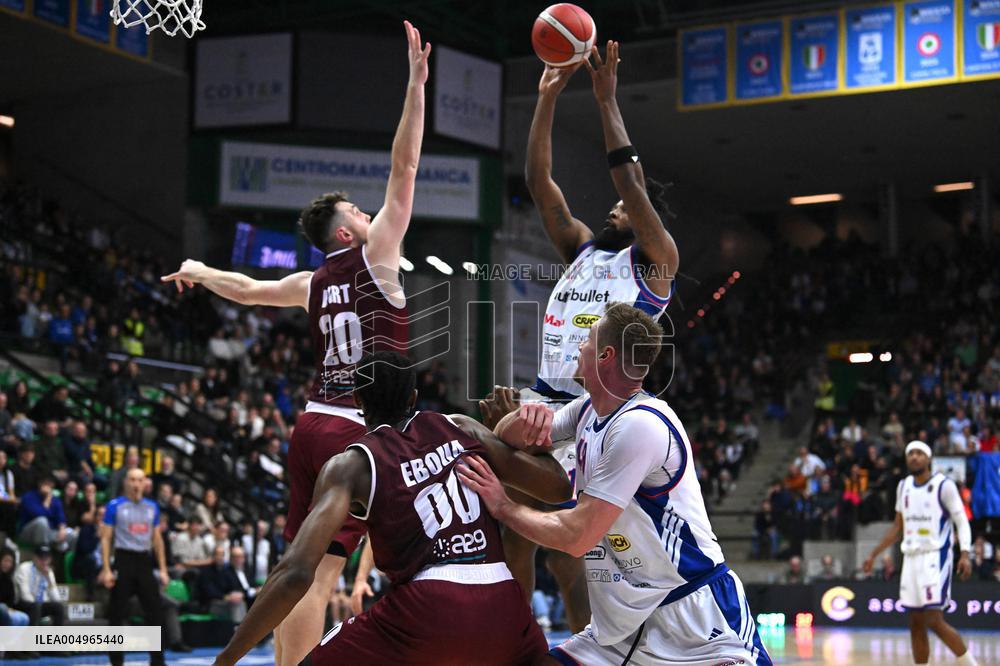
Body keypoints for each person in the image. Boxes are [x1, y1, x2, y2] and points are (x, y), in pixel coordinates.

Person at [162, 22, 429, 666]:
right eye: (360, 214)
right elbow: (406, 165)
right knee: (327, 571)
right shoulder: (378, 260)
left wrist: (198, 273)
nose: (372, 214)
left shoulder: (311, 284)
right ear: (345, 234)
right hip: (353, 435)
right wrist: (416, 86)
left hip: (310, 425)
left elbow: (248, 290)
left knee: (298, 565)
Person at [458, 303, 771, 665]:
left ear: (606, 355)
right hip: (622, 629)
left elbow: (577, 535)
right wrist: (524, 418)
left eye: (587, 340)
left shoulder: (640, 426)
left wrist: (504, 507)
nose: (578, 347)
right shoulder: (587, 409)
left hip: (694, 618)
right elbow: (510, 439)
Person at [213, 351, 573, 665]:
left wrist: (227, 658)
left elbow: (295, 574)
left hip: (427, 606)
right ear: (414, 396)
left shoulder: (351, 465)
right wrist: (521, 436)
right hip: (502, 602)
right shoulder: (461, 427)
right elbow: (558, 487)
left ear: (357, 400)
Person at [514, 38, 680, 633]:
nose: (612, 208)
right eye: (611, 205)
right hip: (541, 399)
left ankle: (599, 645)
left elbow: (630, 182)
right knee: (517, 544)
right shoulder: (581, 249)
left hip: (594, 414)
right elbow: (539, 180)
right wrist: (548, 98)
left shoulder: (654, 261)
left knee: (565, 555)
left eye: (622, 206)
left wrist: (607, 100)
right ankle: (522, 641)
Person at [863, 441, 978, 666]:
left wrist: (965, 553)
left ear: (928, 459)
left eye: (919, 453)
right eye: (911, 454)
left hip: (935, 557)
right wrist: (874, 554)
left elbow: (962, 521)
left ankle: (970, 664)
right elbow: (898, 526)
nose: (914, 457)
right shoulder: (903, 486)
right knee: (915, 621)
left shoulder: (943, 486)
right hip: (911, 559)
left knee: (934, 620)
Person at [98, 468, 169, 666]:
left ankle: (157, 660)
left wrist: (163, 569)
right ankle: (116, 661)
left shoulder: (152, 507)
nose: (136, 484)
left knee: (155, 611)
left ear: (145, 483)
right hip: (123, 559)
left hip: (144, 561)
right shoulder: (115, 506)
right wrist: (106, 569)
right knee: (117, 613)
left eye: (140, 480)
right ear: (126, 483)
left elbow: (157, 540)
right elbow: (106, 538)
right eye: (132, 480)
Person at [13, 545, 65, 626]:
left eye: (46, 559)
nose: (44, 562)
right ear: (34, 558)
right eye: (41, 558)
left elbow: (56, 598)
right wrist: (37, 605)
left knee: (59, 607)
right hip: (24, 604)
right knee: (35, 607)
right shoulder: (24, 568)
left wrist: (49, 579)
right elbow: (25, 595)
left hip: (40, 605)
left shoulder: (49, 572)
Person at [197, 545, 247, 623]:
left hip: (224, 602)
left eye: (222, 555)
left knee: (241, 602)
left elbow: (233, 586)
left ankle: (242, 630)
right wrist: (225, 597)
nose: (220, 557)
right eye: (218, 554)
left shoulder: (225, 571)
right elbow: (208, 591)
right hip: (210, 604)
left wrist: (236, 594)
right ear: (213, 556)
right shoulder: (205, 571)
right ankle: (237, 630)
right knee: (235, 605)